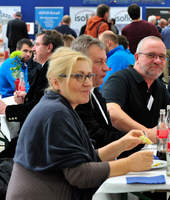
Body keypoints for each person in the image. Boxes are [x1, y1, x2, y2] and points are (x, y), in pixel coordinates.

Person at [6, 47, 153, 200]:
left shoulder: (60, 106)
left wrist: (121, 144)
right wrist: (129, 164)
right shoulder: (56, 112)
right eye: (79, 76)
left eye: (89, 76)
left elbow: (85, 158)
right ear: (56, 82)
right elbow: (79, 174)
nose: (88, 83)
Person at [101, 36, 170, 143]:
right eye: (151, 55)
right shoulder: (120, 79)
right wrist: (146, 133)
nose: (157, 61)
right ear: (137, 57)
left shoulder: (158, 85)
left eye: (162, 57)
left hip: (152, 152)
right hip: (124, 154)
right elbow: (111, 112)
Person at [0, 30, 64, 158]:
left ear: (49, 48)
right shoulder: (48, 67)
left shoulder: (49, 69)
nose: (33, 49)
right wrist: (27, 97)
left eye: (37, 45)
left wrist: (6, 109)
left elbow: (37, 108)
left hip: (37, 139)